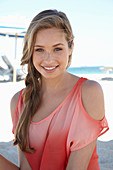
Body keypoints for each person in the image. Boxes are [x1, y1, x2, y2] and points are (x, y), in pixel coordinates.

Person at [0, 9, 109, 170]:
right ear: (31, 52)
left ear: (71, 47)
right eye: (39, 49)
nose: (48, 59)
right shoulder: (18, 102)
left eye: (57, 49)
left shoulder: (89, 92)